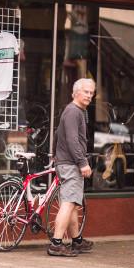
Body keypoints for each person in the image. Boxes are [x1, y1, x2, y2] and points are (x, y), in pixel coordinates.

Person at [48, 78, 95, 257]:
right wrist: (82, 162)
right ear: (75, 93)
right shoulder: (73, 112)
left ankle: (77, 241)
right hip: (71, 164)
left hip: (66, 162)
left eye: (91, 93)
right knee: (68, 204)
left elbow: (57, 134)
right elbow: (72, 139)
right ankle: (56, 244)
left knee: (73, 204)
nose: (89, 96)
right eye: (86, 92)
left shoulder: (74, 111)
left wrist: (55, 155)